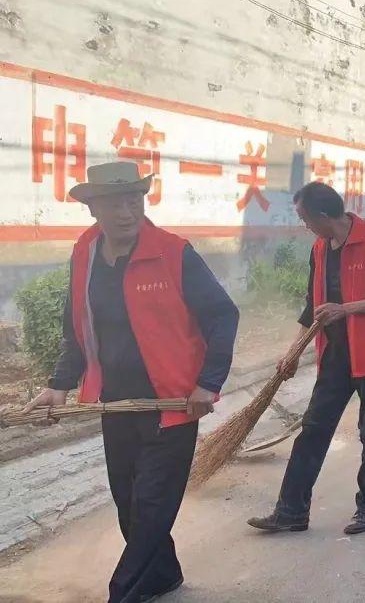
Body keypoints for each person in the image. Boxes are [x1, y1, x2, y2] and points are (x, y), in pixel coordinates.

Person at [24, 161, 239, 603]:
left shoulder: (174, 253)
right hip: (115, 403)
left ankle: (123, 593)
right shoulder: (84, 254)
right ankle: (164, 574)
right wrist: (59, 384)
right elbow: (77, 329)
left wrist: (208, 382)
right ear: (93, 209)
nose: (127, 211)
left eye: (134, 200)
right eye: (115, 202)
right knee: (128, 504)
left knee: (152, 507)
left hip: (172, 404)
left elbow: (222, 315)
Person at [249, 182, 365, 536]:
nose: (303, 224)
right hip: (336, 355)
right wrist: (292, 351)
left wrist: (345, 309)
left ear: (323, 215)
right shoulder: (320, 249)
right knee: (312, 430)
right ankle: (291, 510)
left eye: (304, 217)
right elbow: (313, 305)